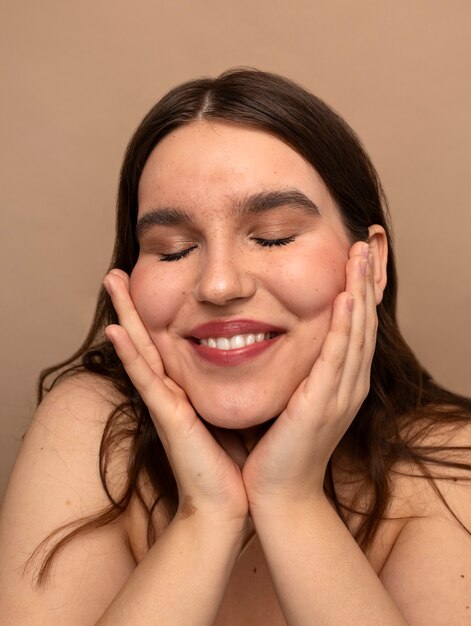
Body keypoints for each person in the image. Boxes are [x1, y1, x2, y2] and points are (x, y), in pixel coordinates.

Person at [0, 69, 470, 625]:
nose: (219, 286)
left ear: (371, 261)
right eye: (173, 250)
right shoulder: (93, 428)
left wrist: (291, 502)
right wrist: (207, 515)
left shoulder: (451, 464)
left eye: (273, 236)